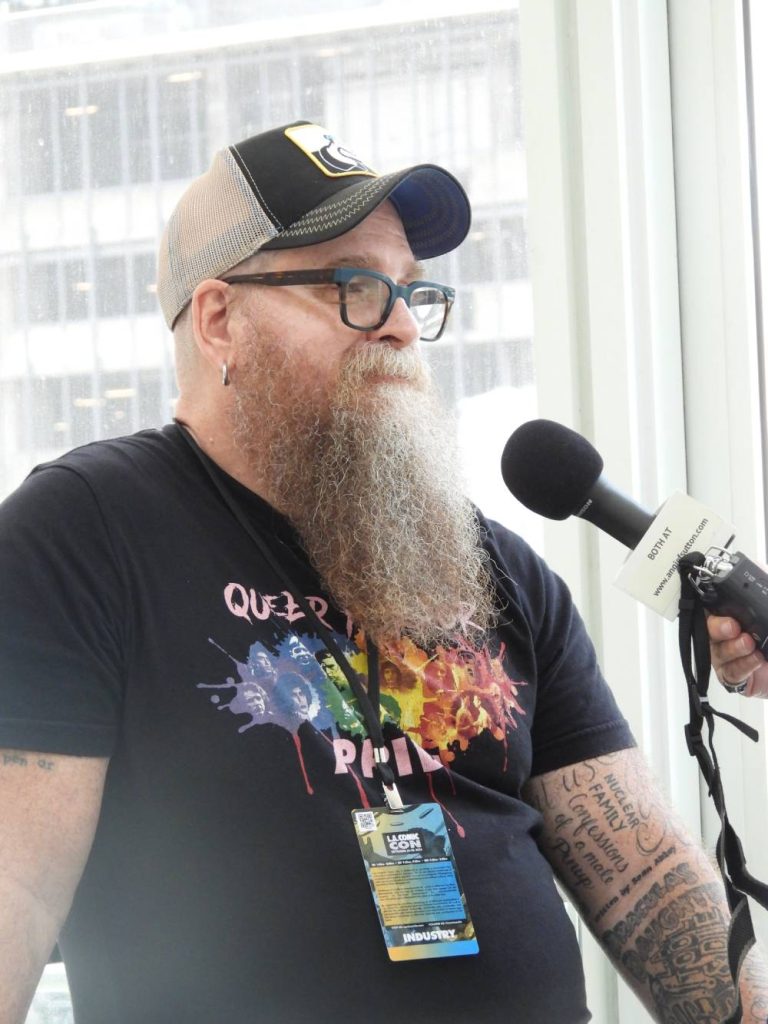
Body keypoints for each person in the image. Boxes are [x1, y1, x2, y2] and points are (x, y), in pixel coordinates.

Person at [0, 120, 766, 1024]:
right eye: (354, 287)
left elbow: (653, 887)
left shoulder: (492, 567)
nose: (402, 326)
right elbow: (18, 889)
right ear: (219, 320)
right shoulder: (85, 531)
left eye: (413, 291)